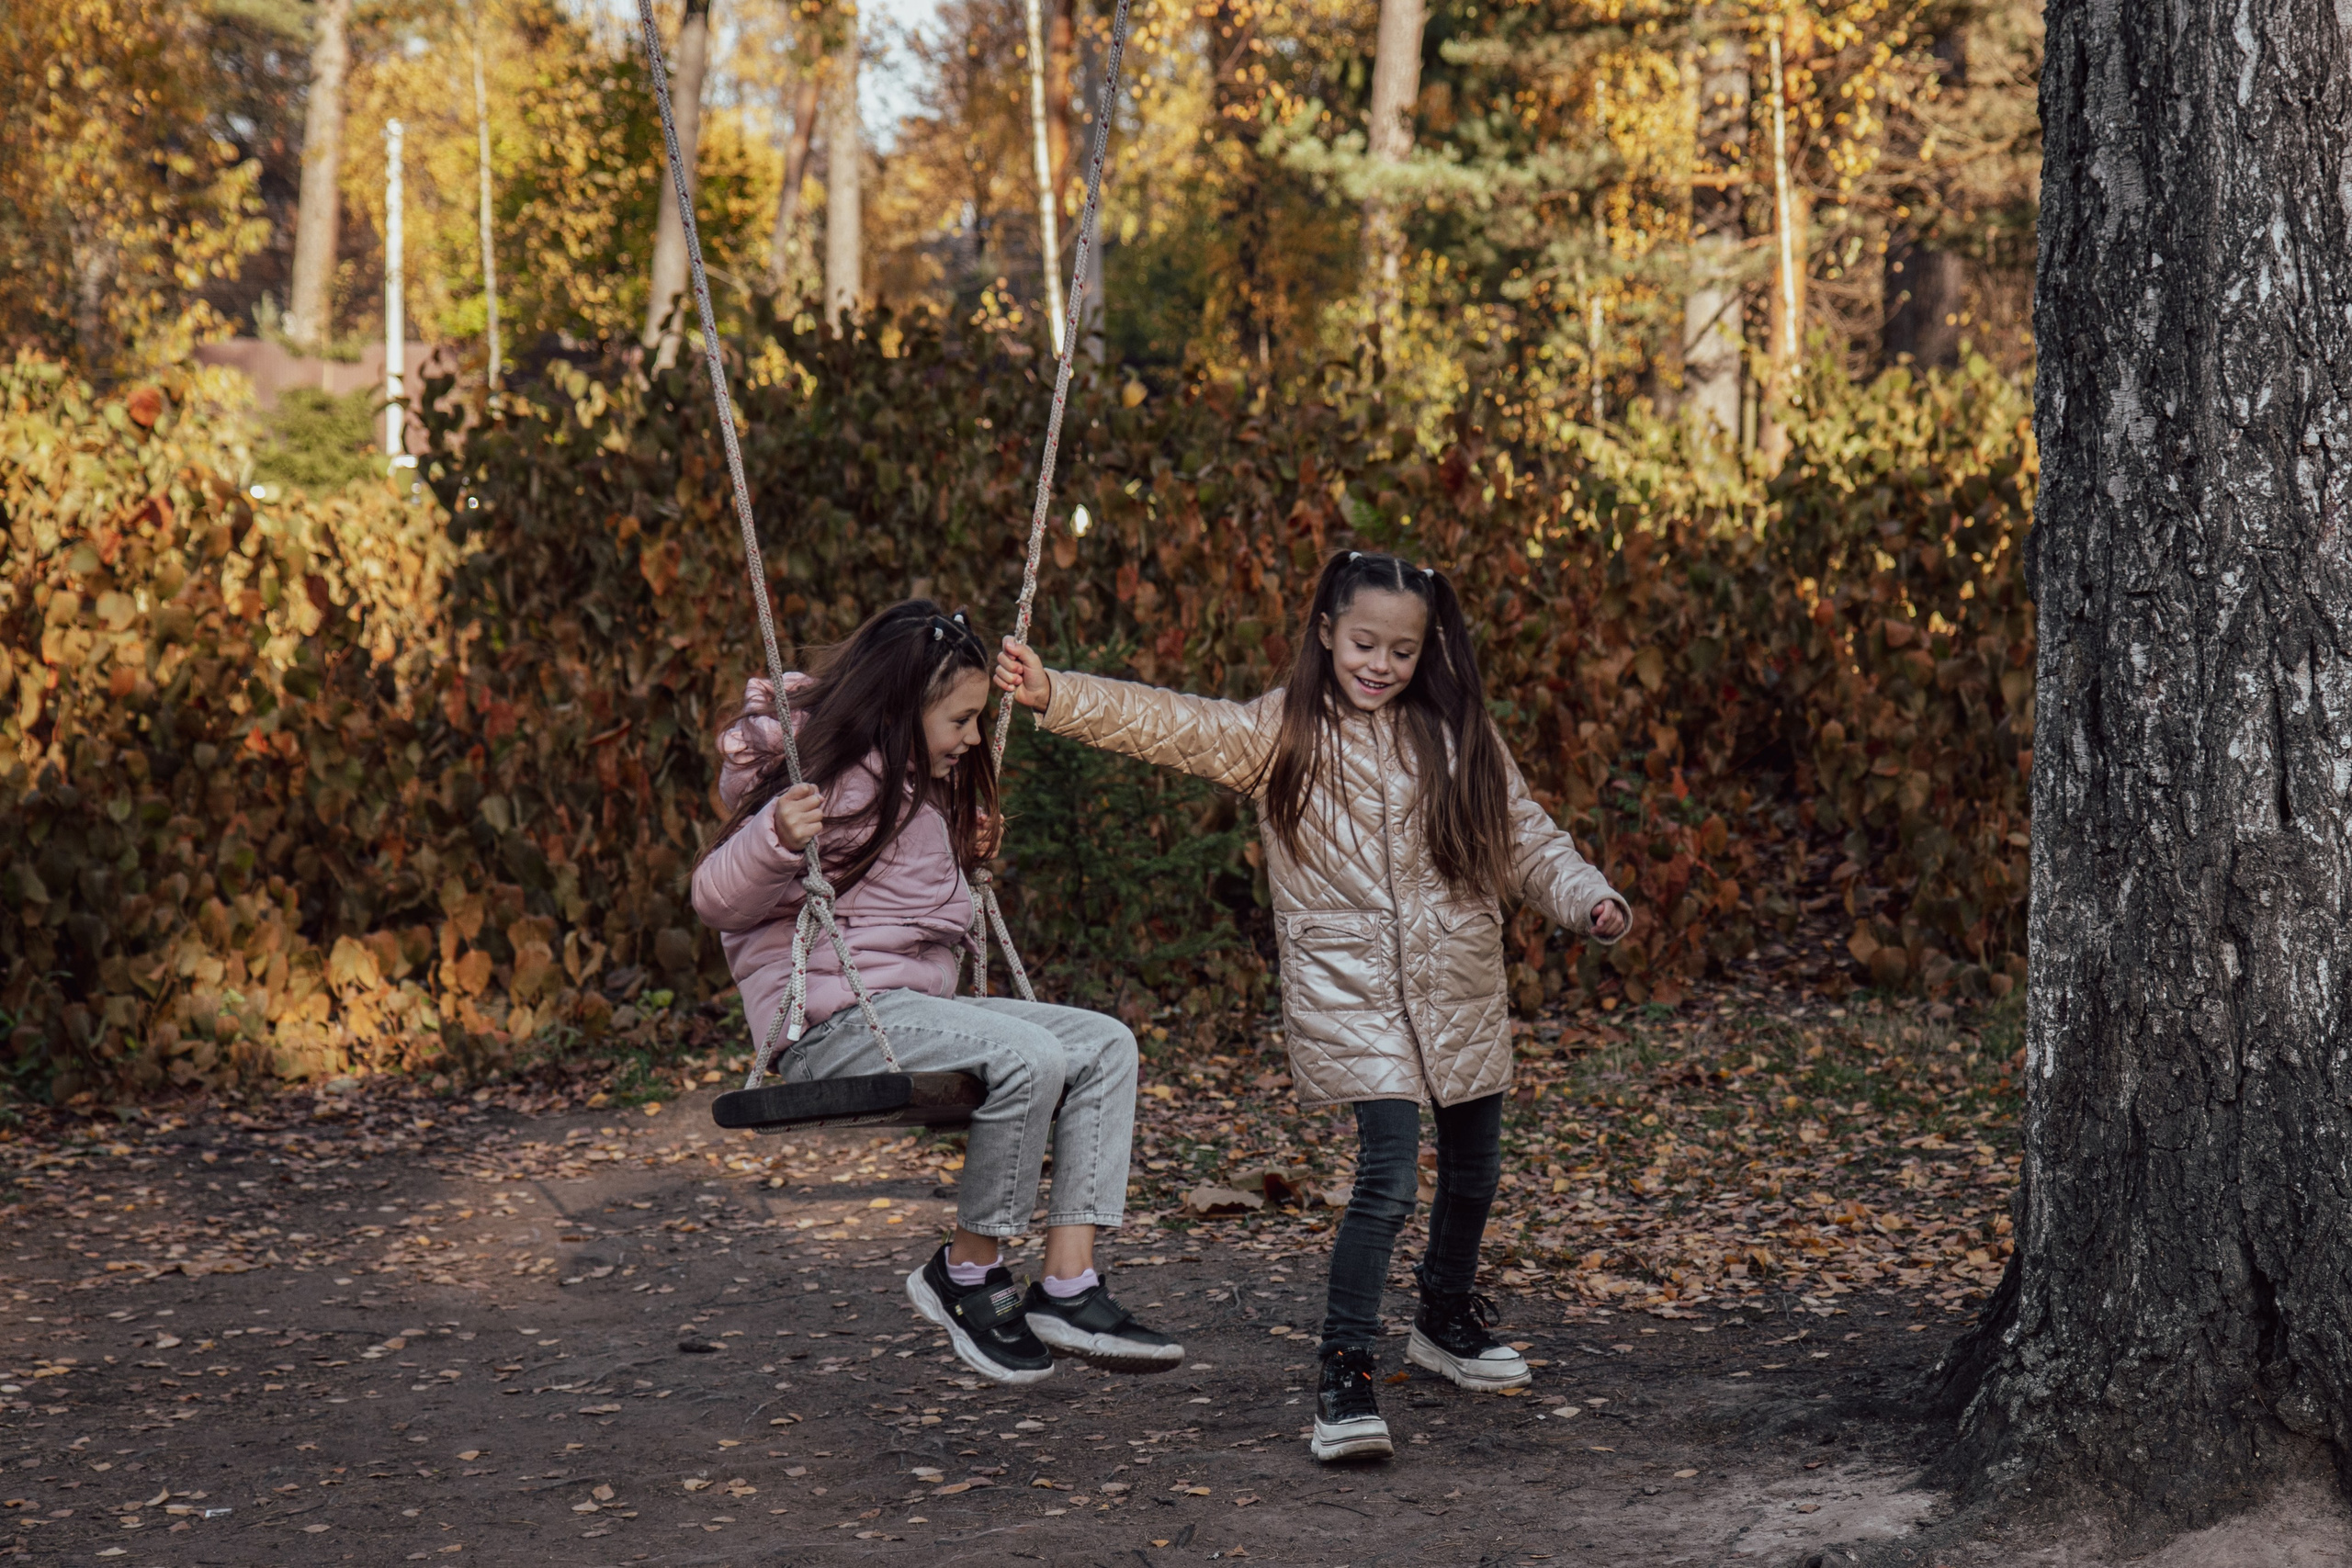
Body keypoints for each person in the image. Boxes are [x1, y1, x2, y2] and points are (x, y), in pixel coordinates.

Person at [995, 551, 1630, 1461]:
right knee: (1385, 1182)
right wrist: (1057, 693)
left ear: (1428, 650)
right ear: (1326, 632)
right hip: (1354, 999)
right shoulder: (1284, 730)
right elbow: (1174, 725)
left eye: (1402, 651)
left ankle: (1444, 1320)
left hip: (1460, 990)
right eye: (1364, 642)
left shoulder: (1458, 734)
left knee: (1475, 1172)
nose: (1380, 665)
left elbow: (1524, 840)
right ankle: (1344, 1375)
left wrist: (1587, 900)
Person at [692, 600, 1181, 1386]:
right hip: (835, 1024)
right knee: (1028, 1053)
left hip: (915, 1015)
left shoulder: (923, 785)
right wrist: (774, 839)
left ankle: (1066, 1284)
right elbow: (716, 899)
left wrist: (964, 845)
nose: (975, 736)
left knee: (1104, 1045)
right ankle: (968, 1270)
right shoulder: (826, 782)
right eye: (961, 719)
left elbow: (902, 905)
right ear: (905, 708)